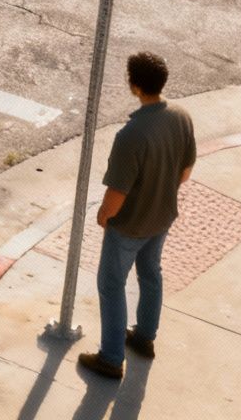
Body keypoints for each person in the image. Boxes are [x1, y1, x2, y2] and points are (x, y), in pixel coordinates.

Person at [77, 51, 196, 381]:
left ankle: (112, 358)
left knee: (111, 285)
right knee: (151, 273)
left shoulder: (130, 136)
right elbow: (184, 172)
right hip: (162, 217)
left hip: (129, 226)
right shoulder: (181, 117)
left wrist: (104, 216)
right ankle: (144, 338)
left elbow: (117, 194)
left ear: (133, 85)